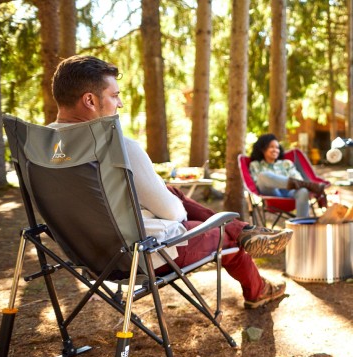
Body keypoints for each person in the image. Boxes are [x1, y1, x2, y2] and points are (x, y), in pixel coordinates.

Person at [50, 55, 293, 309]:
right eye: (114, 96)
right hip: (148, 255)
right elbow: (174, 214)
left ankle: (242, 231)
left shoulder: (41, 151)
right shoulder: (119, 149)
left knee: (174, 193)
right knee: (219, 229)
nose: (119, 103)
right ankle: (255, 279)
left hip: (89, 258)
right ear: (89, 100)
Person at [249, 134, 326, 218]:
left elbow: (298, 179)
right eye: (271, 147)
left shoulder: (286, 163)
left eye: (277, 147)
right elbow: (257, 183)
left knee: (303, 190)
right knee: (263, 176)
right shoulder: (255, 165)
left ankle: (301, 224)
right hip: (271, 194)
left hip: (289, 193)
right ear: (262, 148)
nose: (275, 150)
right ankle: (309, 186)